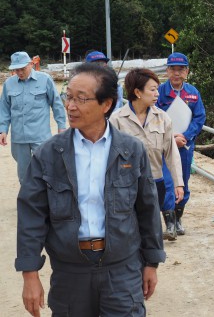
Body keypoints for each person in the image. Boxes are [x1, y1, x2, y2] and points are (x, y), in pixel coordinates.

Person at [15, 63, 165, 317]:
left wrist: (151, 262)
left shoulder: (131, 150)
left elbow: (147, 208)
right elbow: (31, 216)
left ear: (106, 105)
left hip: (121, 270)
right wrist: (30, 275)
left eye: (81, 99)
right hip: (70, 273)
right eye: (69, 97)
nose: (70, 106)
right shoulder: (49, 154)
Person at [110, 68, 185, 241]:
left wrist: (178, 183)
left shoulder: (163, 118)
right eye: (152, 89)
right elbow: (110, 157)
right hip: (126, 184)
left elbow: (171, 154)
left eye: (157, 89)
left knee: (150, 225)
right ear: (137, 92)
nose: (157, 94)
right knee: (129, 225)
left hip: (154, 182)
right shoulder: (117, 120)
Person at [157, 52, 206, 236]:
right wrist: (170, 139)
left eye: (181, 69)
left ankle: (178, 218)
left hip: (185, 146)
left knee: (183, 181)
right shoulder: (160, 92)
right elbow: (154, 118)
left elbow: (199, 117)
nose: (176, 73)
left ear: (187, 71)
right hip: (163, 146)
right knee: (166, 182)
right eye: (173, 69)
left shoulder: (193, 93)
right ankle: (168, 223)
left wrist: (186, 136)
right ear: (167, 70)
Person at [0, 51, 66, 185]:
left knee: (46, 168)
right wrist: (3, 129)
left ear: (31, 64)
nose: (19, 72)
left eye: (22, 68)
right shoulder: (9, 84)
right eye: (16, 69)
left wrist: (61, 126)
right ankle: (28, 201)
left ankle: (47, 201)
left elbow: (57, 104)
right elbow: (4, 109)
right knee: (24, 174)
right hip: (19, 137)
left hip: (40, 136)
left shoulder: (45, 79)